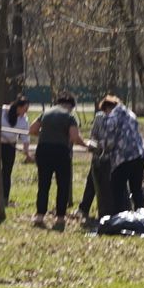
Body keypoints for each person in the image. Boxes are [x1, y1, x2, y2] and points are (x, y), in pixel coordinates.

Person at [29, 93, 86, 229]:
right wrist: (85, 144)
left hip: (43, 150)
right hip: (61, 152)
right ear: (71, 106)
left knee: (43, 184)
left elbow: (32, 129)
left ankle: (40, 215)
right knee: (62, 185)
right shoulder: (70, 117)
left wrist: (45, 134)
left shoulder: (46, 113)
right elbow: (74, 137)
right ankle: (60, 217)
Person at [97, 96, 144, 213]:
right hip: (140, 154)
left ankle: (120, 215)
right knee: (136, 188)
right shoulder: (130, 114)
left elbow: (109, 143)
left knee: (117, 187)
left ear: (107, 108)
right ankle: (141, 215)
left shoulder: (111, 118)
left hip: (123, 157)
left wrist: (99, 146)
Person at [78, 98, 113, 221]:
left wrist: (106, 145)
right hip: (98, 156)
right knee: (91, 182)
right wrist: (94, 146)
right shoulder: (99, 117)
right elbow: (93, 135)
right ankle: (84, 208)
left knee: (107, 185)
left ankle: (107, 211)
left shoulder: (118, 120)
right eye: (108, 108)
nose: (109, 111)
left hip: (111, 158)